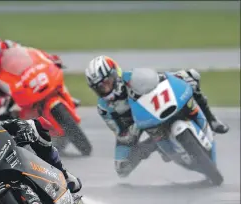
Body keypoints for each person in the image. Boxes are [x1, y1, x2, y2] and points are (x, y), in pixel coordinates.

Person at [85, 55, 230, 177]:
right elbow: (120, 133)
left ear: (115, 74)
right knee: (122, 168)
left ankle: (212, 120)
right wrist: (132, 131)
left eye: (107, 82)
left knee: (191, 79)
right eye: (99, 87)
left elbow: (159, 78)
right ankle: (156, 145)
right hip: (135, 125)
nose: (105, 88)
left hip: (156, 108)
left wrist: (183, 76)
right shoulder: (104, 108)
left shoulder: (132, 78)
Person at [0, 26, 81, 121]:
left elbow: (29, 55)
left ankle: (67, 99)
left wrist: (48, 57)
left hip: (12, 80)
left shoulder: (8, 46)